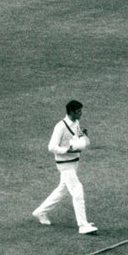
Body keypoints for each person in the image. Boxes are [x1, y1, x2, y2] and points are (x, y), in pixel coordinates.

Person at [32, 99, 98, 234]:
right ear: (71, 112)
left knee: (62, 190)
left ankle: (40, 212)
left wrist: (83, 136)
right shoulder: (60, 126)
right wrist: (65, 150)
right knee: (78, 189)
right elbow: (51, 147)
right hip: (65, 165)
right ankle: (83, 225)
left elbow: (78, 136)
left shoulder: (76, 123)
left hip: (74, 162)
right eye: (79, 111)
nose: (81, 114)